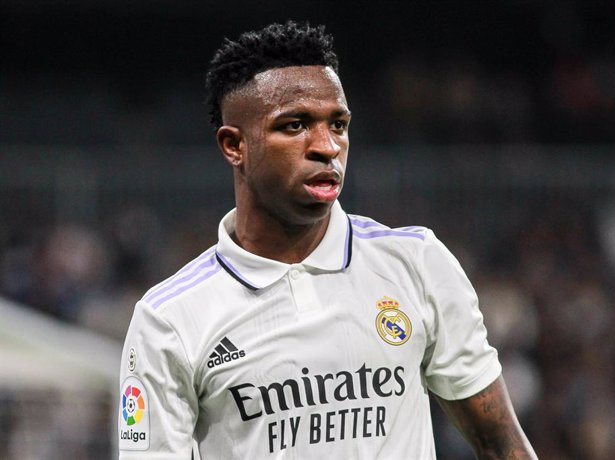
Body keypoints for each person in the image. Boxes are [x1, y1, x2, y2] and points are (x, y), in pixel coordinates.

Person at [118, 21, 537, 459]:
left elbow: (501, 442)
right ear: (233, 145)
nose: (327, 146)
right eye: (296, 125)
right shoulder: (169, 319)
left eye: (338, 124)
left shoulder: (417, 264)